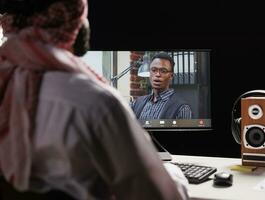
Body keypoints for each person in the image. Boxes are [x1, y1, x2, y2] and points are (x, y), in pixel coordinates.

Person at [0, 0, 189, 199]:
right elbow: (156, 195)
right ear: (77, 27)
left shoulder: (6, 84)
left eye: (163, 71)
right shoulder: (96, 102)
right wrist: (174, 173)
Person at [131, 52, 193, 120]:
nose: (157, 74)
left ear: (171, 76)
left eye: (163, 71)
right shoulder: (137, 102)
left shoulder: (182, 108)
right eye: (154, 70)